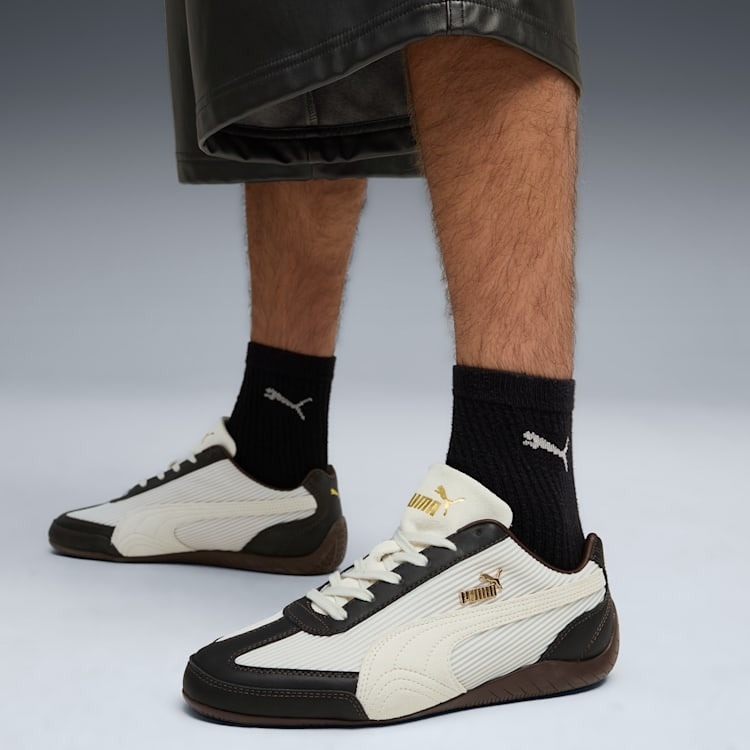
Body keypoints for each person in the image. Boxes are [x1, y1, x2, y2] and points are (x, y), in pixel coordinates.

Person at [49, 0, 618, 726]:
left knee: (466, 8)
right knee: (289, 33)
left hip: (526, 531)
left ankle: (526, 522)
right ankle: (271, 456)